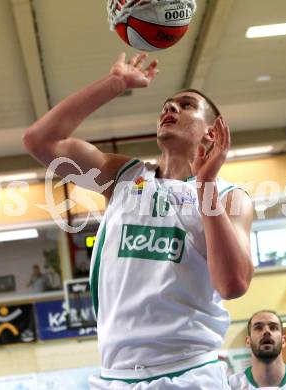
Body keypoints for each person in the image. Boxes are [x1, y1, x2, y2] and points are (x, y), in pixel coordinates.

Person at [23, 52, 254, 389]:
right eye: (167, 105)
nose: (170, 109)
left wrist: (206, 187)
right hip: (115, 376)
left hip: (189, 373)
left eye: (186, 105)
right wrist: (114, 84)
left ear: (212, 134)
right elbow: (39, 141)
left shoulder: (231, 197)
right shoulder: (123, 177)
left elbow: (233, 284)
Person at [229, 310, 286, 389]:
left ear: (283, 341)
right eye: (258, 328)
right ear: (248, 341)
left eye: (273, 327)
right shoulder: (231, 385)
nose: (266, 331)